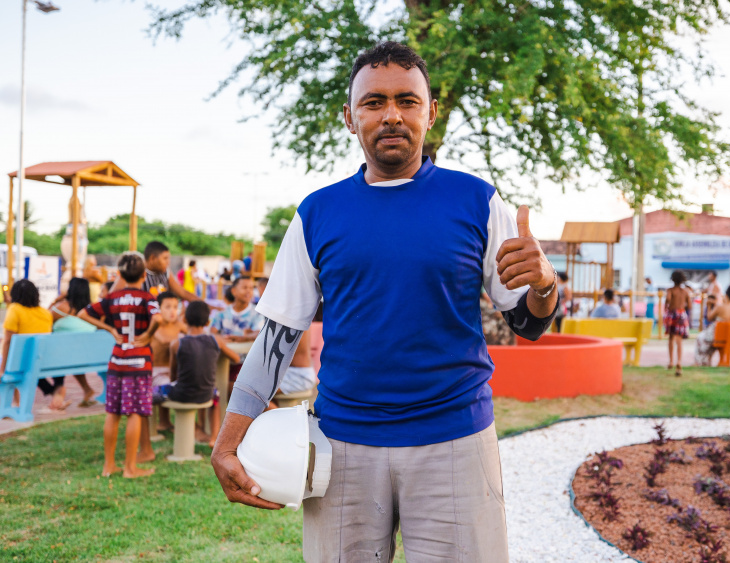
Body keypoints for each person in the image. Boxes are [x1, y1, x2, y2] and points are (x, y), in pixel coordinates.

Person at [212, 42, 558, 561]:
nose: (392, 114)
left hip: (456, 442)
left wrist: (545, 284)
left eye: (407, 100)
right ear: (350, 117)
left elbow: (527, 324)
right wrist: (228, 439)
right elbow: (278, 337)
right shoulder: (317, 213)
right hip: (342, 446)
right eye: (373, 102)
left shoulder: (477, 201)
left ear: (430, 112)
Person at [78, 251, 162, 478]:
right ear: (144, 274)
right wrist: (147, 334)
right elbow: (159, 318)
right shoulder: (147, 298)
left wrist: (110, 329)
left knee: (112, 412)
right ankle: (130, 467)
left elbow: (83, 313)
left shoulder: (112, 298)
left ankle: (108, 466)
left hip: (116, 361)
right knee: (134, 412)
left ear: (121, 274)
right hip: (139, 362)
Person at [155, 301, 239, 446]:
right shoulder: (215, 341)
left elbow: (173, 375)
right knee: (216, 395)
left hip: (182, 393)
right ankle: (214, 437)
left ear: (185, 320)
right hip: (206, 393)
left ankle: (155, 428)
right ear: (207, 322)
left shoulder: (176, 344)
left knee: (152, 392)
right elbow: (236, 358)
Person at [1, 280, 55, 409]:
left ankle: (16, 402)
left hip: (19, 362)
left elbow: (8, 341)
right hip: (41, 361)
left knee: (8, 362)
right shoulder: (45, 313)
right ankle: (16, 402)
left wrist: (2, 369)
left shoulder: (14, 309)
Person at [50, 277, 98, 408]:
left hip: (67, 356)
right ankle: (87, 389)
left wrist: (56, 300)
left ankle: (57, 393)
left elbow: (45, 319)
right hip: (93, 354)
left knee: (61, 354)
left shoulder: (62, 308)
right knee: (74, 353)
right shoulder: (93, 309)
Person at [210, 277, 263, 391]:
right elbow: (212, 333)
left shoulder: (257, 314)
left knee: (231, 390)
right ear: (233, 291)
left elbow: (258, 333)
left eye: (251, 288)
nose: (249, 291)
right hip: (222, 362)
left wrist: (241, 338)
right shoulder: (222, 314)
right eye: (244, 287)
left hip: (246, 365)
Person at [148, 291, 186, 435]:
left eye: (175, 307)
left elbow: (194, 335)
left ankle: (166, 421)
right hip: (156, 371)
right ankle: (163, 421)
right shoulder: (155, 325)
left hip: (173, 370)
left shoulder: (178, 324)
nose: (172, 311)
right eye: (168, 307)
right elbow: (165, 340)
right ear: (158, 309)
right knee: (166, 383)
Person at [111, 241, 199, 302]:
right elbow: (111, 296)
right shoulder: (134, 268)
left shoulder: (166, 272)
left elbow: (182, 293)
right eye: (165, 258)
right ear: (152, 258)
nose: (168, 262)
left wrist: (204, 305)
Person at [694, 283, 730, 367]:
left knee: (700, 338)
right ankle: (706, 361)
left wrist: (708, 306)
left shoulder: (720, 307)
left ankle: (699, 362)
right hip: (727, 337)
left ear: (725, 294)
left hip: (714, 336)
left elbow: (709, 318)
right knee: (707, 341)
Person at [664, 270, 692, 377]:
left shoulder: (670, 290)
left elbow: (668, 299)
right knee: (679, 340)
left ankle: (671, 361)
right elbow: (689, 305)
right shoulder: (685, 291)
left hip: (672, 315)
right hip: (682, 314)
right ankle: (679, 361)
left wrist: (668, 304)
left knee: (671, 338)